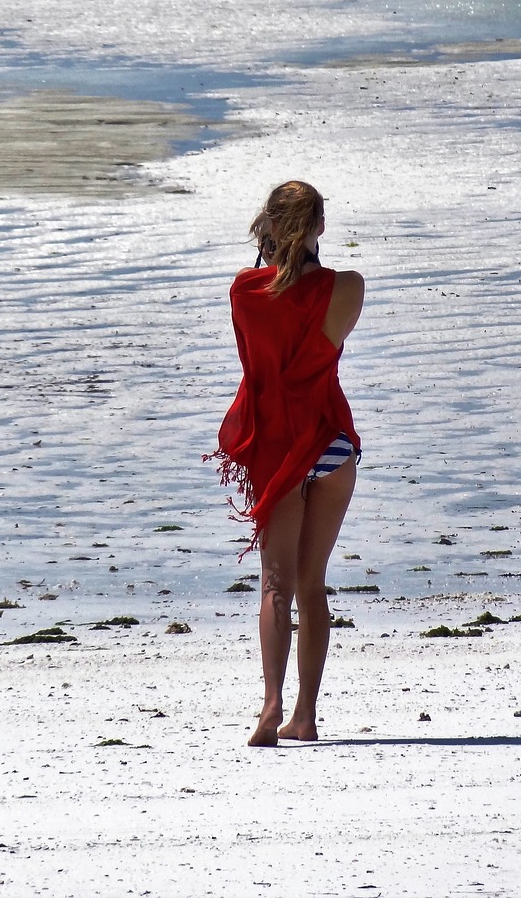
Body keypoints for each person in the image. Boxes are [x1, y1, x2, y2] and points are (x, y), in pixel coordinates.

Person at [211, 180, 364, 747]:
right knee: (312, 583)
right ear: (320, 227)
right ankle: (307, 716)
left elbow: (259, 373)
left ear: (268, 227)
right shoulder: (347, 288)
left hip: (280, 445)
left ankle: (271, 706)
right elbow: (317, 358)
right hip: (331, 443)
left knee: (275, 582)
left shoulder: (246, 292)